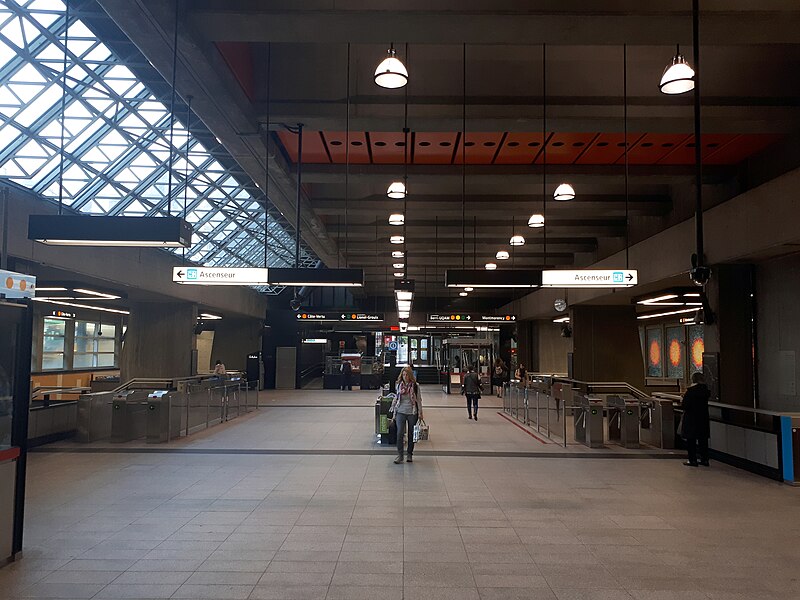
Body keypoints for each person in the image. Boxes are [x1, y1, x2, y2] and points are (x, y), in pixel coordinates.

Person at [389, 366, 423, 464]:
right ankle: (400, 455)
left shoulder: (415, 386)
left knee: (411, 434)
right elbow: (397, 397)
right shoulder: (399, 385)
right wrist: (394, 411)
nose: (405, 377)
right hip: (400, 411)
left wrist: (420, 412)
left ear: (410, 375)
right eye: (403, 375)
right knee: (399, 433)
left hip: (412, 412)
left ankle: (409, 454)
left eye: (407, 375)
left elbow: (419, 400)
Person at [681, 371, 711, 467]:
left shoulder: (691, 391)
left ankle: (692, 460)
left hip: (691, 418)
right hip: (703, 418)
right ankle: (705, 459)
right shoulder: (706, 391)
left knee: (691, 440)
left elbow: (685, 405)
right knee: (703, 440)